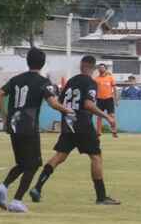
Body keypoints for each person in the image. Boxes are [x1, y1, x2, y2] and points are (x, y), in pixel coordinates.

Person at [29, 55, 121, 205]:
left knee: (59, 156)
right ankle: (101, 196)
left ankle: (37, 187)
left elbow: (60, 101)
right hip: (82, 124)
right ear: (93, 67)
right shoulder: (91, 82)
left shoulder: (71, 81)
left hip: (68, 123)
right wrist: (107, 117)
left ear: (81, 65)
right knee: (96, 157)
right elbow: (88, 104)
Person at [0, 48, 72, 212]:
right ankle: (17, 200)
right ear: (42, 64)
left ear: (27, 61)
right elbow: (53, 104)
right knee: (34, 164)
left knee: (22, 163)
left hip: (13, 125)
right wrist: (68, 111)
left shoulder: (16, 79)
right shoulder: (43, 82)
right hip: (29, 125)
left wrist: (5, 116)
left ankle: (3, 186)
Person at [93, 63, 117, 135]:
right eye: (100, 68)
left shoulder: (110, 78)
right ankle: (98, 132)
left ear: (105, 69)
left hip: (109, 99)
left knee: (111, 116)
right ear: (98, 69)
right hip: (100, 100)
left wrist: (116, 99)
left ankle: (114, 131)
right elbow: (94, 90)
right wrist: (93, 98)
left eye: (103, 68)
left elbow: (114, 89)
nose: (101, 69)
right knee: (99, 116)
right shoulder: (96, 79)